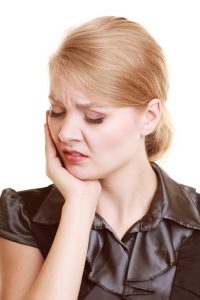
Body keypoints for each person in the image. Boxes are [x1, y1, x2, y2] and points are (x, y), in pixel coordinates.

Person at [0, 16, 200, 300]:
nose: (66, 133)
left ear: (150, 117)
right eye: (57, 111)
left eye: (94, 118)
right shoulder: (23, 215)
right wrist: (79, 205)